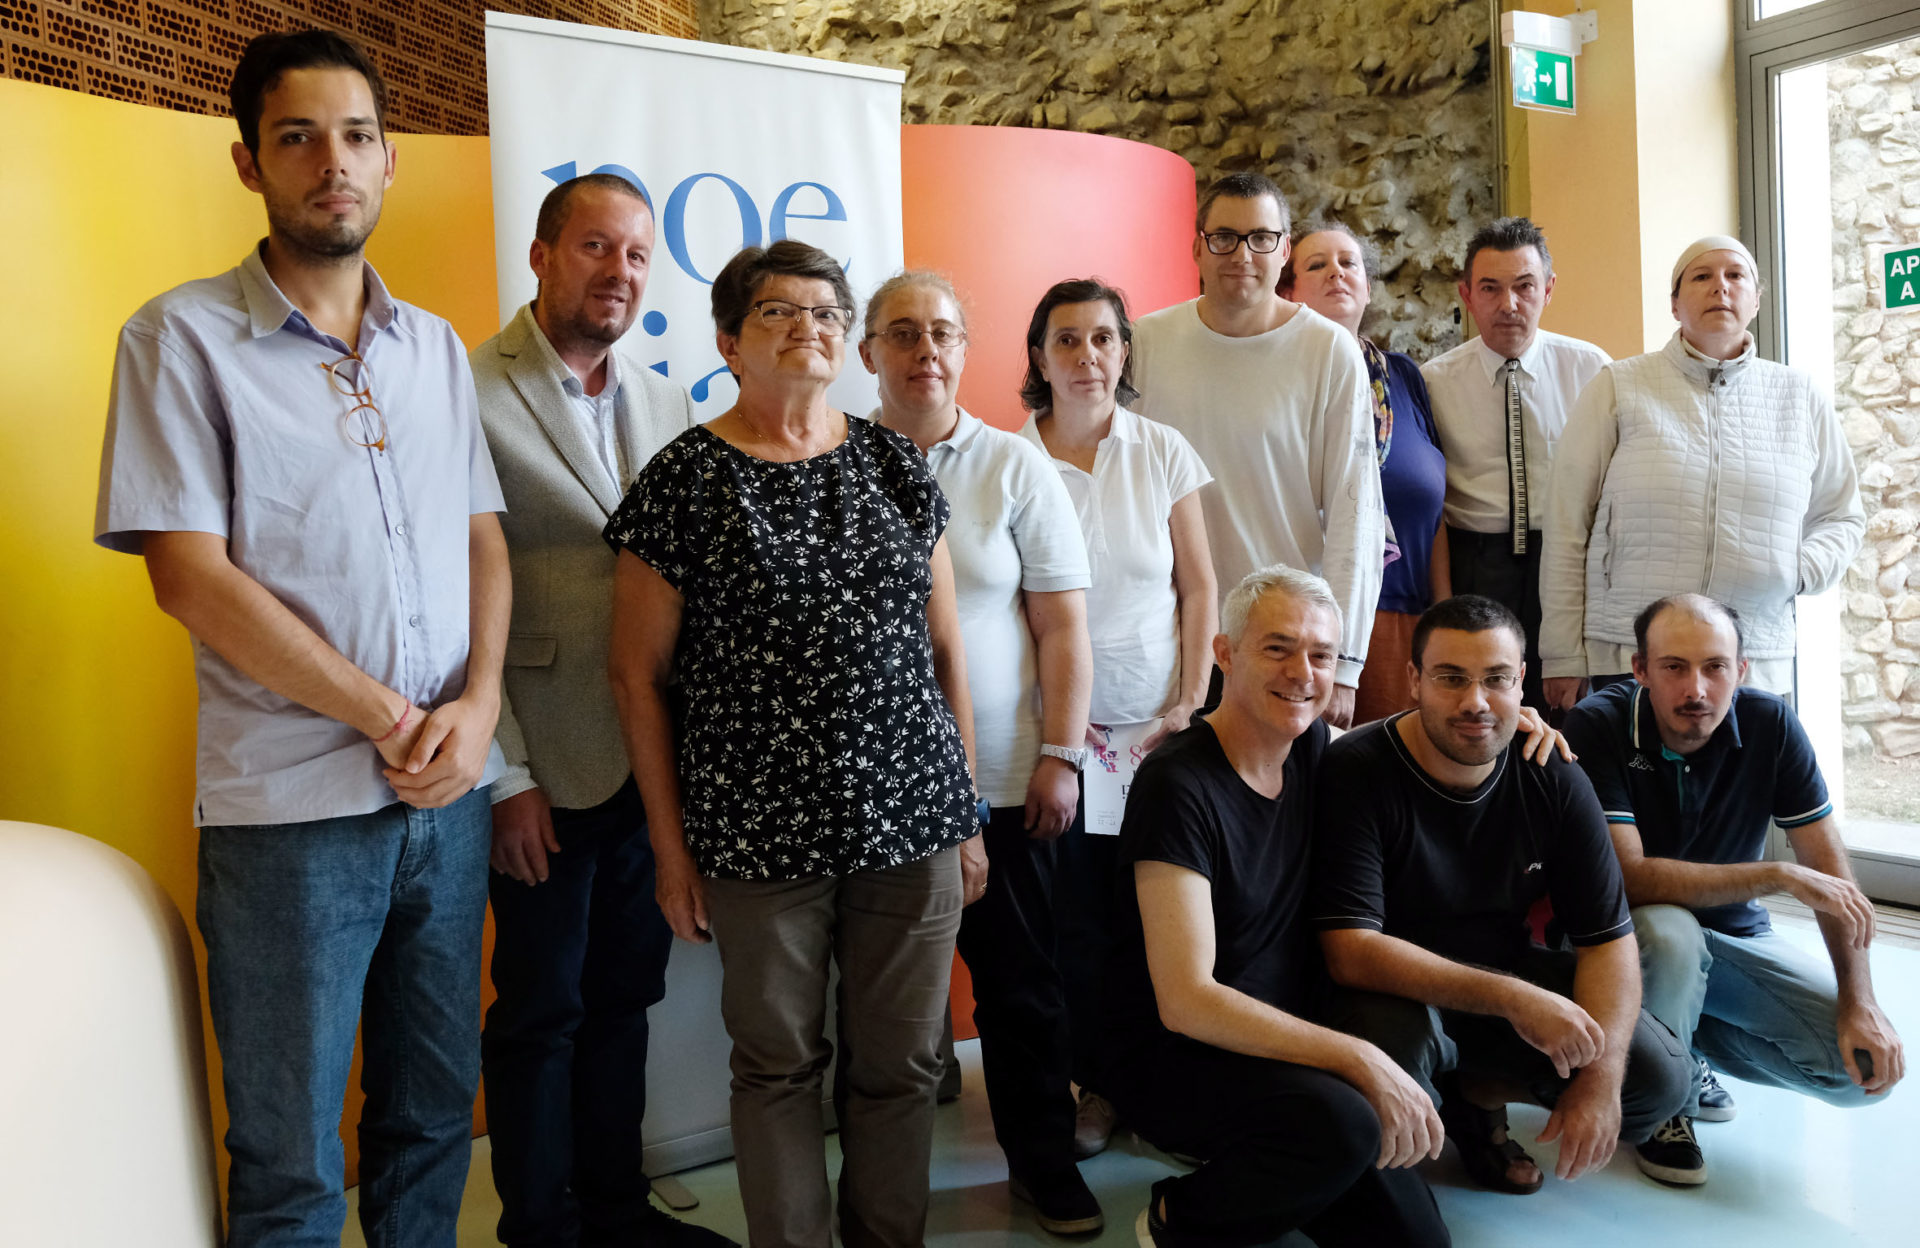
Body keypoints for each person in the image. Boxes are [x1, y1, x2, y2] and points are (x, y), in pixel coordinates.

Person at [93, 30, 508, 1246]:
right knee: (286, 1153)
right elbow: (190, 578)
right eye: (299, 137)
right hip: (291, 817)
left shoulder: (432, 346)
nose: (334, 162)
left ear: (389, 162)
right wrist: (391, 717)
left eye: (358, 136)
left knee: (433, 1113)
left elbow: (481, 534)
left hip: (451, 802)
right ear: (247, 163)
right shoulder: (178, 340)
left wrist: (478, 707)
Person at [605, 241, 979, 1248]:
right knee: (777, 1067)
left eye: (823, 311)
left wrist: (968, 812)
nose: (807, 326)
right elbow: (635, 678)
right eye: (779, 312)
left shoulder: (894, 463)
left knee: (901, 1065)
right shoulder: (685, 480)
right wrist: (672, 855)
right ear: (729, 340)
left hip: (913, 822)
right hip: (756, 835)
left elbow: (947, 650)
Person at [472, 173, 732, 1247]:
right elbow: (448, 602)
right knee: (540, 1013)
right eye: (593, 248)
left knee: (624, 1000)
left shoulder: (671, 403)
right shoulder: (466, 389)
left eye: (634, 255)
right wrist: (506, 776)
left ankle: (617, 1211)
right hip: (544, 762)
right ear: (540, 256)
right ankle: (537, 1227)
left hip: (649, 764)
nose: (617, 272)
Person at [1105, 564, 1451, 1248]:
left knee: (1418, 1242)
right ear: (1225, 653)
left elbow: (1419, 748)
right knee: (1349, 1123)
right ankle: (1181, 1214)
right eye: (1278, 647)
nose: (1303, 671)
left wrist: (1507, 721)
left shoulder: (1313, 749)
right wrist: (1356, 1058)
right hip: (1187, 1056)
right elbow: (1186, 1000)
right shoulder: (1177, 784)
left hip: (1286, 1043)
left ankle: (1283, 1165)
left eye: (1321, 655)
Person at [860, 272, 1103, 1229]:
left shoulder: (1013, 466)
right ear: (868, 350)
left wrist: (1061, 752)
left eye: (945, 334)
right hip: (870, 785)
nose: (927, 351)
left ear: (967, 351)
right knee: (876, 1003)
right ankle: (879, 1190)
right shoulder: (830, 460)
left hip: (1004, 779)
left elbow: (1062, 631)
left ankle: (1043, 1162)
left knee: (1021, 990)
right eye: (904, 333)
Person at [1312, 595, 1694, 1195]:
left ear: (1521, 683)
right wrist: (1515, 1000)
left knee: (1657, 1079)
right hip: (1386, 990)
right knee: (1391, 1059)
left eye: (1494, 679)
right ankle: (1382, 1171)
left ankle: (1475, 1097)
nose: (1474, 702)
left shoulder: (1554, 773)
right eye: (1450, 678)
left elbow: (1607, 941)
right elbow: (1350, 951)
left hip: (1500, 974)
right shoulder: (1358, 770)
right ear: (1414, 680)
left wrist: (1597, 1082)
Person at [1562, 594, 1904, 1186]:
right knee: (1670, 930)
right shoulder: (1599, 723)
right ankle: (1663, 1106)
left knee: (1860, 1076)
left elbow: (1830, 870)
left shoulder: (1773, 724)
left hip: (1734, 940)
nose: (1697, 689)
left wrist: (1860, 1000)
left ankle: (1683, 1054)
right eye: (1674, 667)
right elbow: (1631, 879)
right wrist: (1775, 874)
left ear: (1741, 671)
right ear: (1639, 670)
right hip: (1624, 946)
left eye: (1715, 667)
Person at [1017, 277, 1217, 1167]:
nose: (1087, 356)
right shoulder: (1011, 458)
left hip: (1155, 739)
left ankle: (1166, 1088)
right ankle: (1095, 1087)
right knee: (1081, 927)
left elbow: (1200, 585)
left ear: (1124, 351)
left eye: (1103, 339)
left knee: (1163, 921)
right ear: (1038, 358)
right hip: (1061, 739)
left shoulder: (1163, 449)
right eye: (1067, 340)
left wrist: (1188, 700)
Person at [1541, 236, 1865, 704]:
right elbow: (1567, 524)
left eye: (1736, 276)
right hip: (1630, 657)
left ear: (1756, 300)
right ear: (1675, 304)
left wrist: (1798, 568)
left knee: (1747, 780)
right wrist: (1563, 655)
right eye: (1701, 276)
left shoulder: (1800, 396)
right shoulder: (1619, 386)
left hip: (1753, 660)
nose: (1720, 287)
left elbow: (1843, 516)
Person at [1130, 172, 1384, 728]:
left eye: (1261, 238)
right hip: (1167, 638)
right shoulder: (1145, 343)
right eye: (1224, 237)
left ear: (1285, 249)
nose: (1242, 254)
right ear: (1197, 245)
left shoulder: (1328, 350)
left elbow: (1356, 510)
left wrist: (1343, 662)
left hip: (1285, 643)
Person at [1422, 218, 1610, 711]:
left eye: (1524, 287)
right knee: (1478, 706)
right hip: (1475, 562)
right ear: (1467, 294)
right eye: (1491, 288)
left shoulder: (1593, 370)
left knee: (1566, 709)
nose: (1509, 305)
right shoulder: (1434, 382)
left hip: (1565, 561)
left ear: (1548, 290)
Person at [1281, 222, 1449, 723]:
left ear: (1368, 287)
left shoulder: (1403, 377)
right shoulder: (1283, 380)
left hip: (1410, 621)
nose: (1336, 272)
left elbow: (1438, 507)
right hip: (1315, 623)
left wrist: (1443, 615)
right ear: (1287, 291)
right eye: (1317, 265)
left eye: (1348, 263)